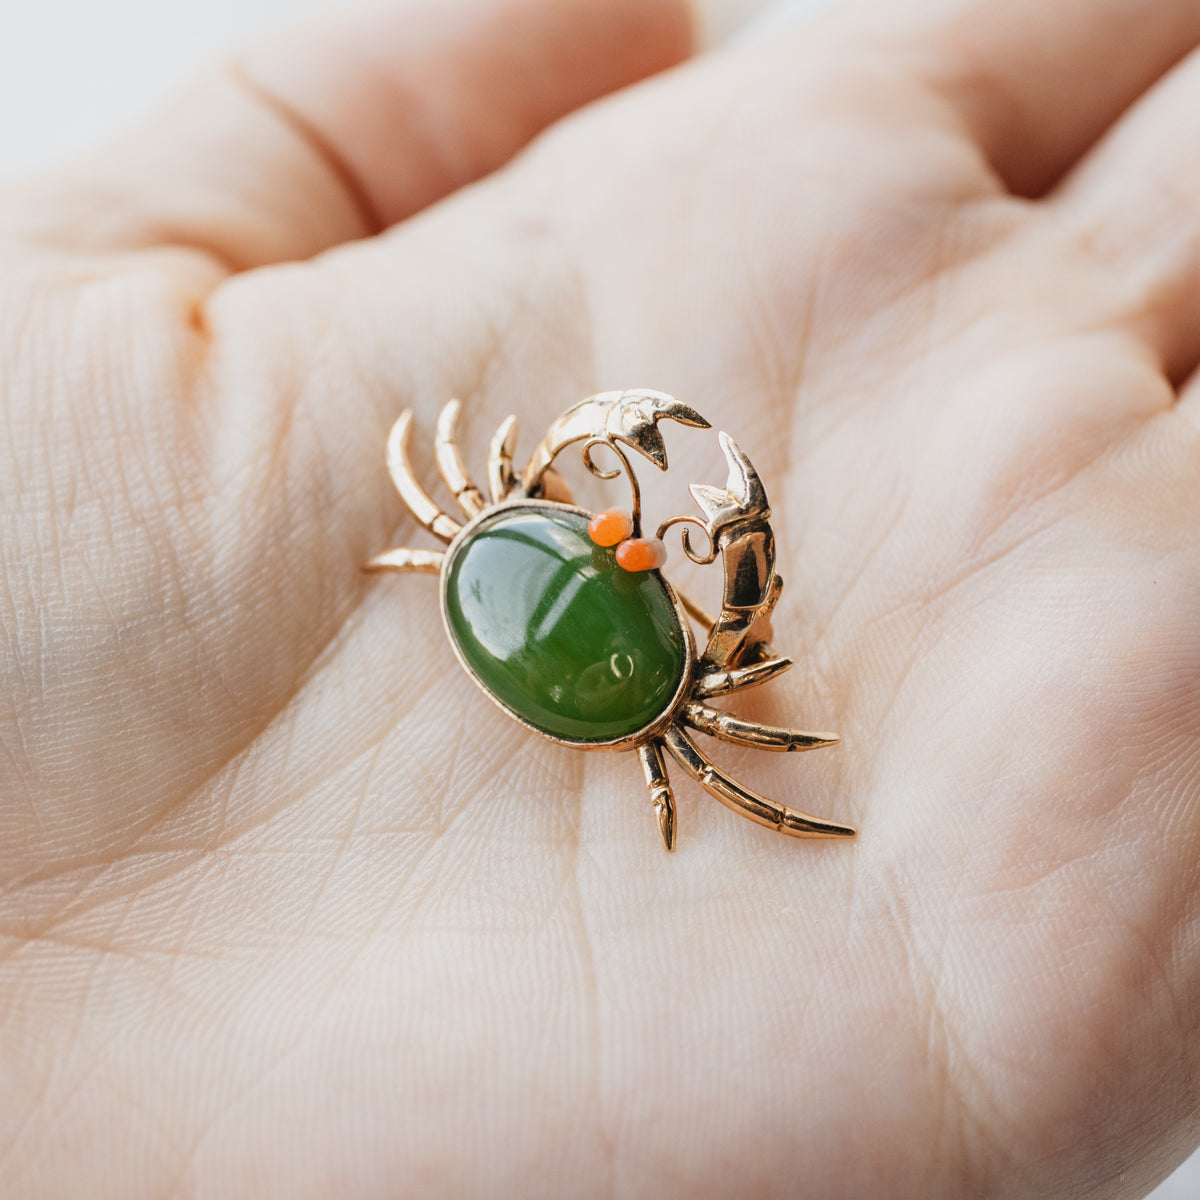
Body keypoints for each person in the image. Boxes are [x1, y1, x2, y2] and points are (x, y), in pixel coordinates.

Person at [1, 0, 1198, 1194]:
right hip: (521, 587)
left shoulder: (613, 636)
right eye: (624, 538)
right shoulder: (490, 526)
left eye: (635, 546)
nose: (628, 543)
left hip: (587, 644)